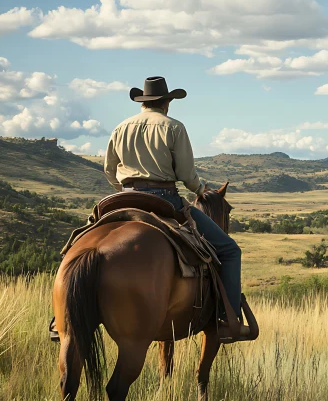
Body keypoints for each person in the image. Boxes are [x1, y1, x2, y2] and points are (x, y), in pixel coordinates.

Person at [51, 76, 244, 343]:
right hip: (164, 198)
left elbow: (109, 170)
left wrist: (124, 190)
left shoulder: (120, 128)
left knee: (79, 240)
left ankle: (60, 315)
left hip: (124, 196)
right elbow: (187, 174)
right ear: (167, 103)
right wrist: (199, 190)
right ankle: (226, 318)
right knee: (230, 250)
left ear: (142, 102)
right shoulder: (173, 127)